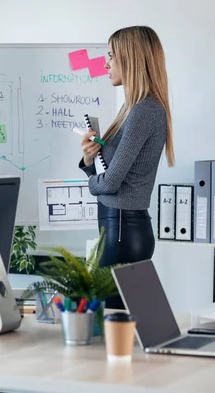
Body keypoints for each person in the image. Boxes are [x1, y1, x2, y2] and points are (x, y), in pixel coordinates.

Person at [79, 26, 175, 309]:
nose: (105, 64)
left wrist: (91, 184)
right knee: (113, 321)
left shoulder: (144, 111)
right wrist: (88, 160)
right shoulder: (132, 109)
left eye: (111, 56)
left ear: (130, 58)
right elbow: (108, 174)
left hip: (122, 229)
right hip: (119, 227)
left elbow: (109, 184)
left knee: (108, 320)